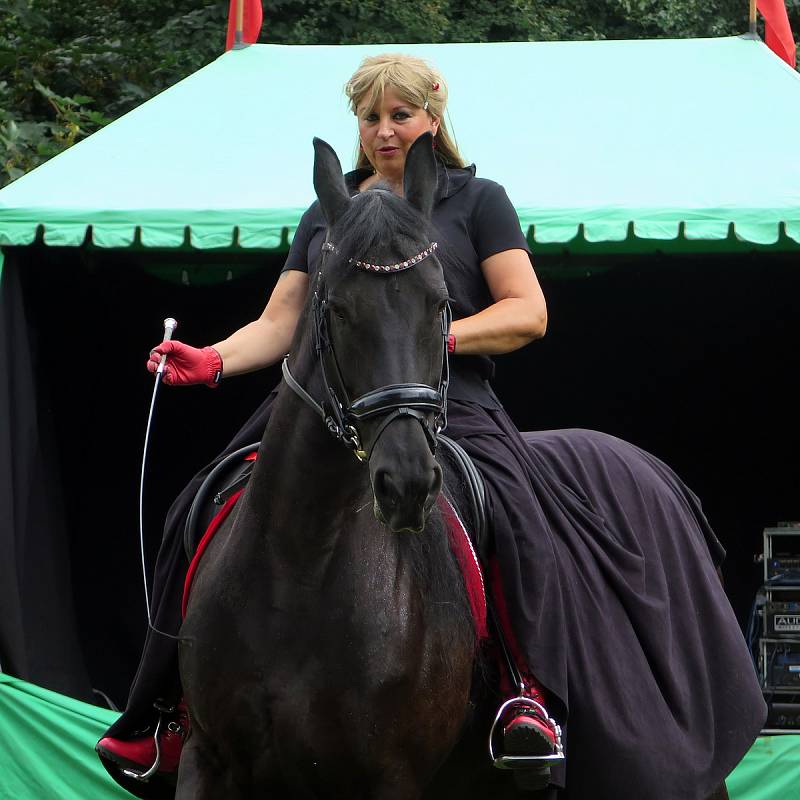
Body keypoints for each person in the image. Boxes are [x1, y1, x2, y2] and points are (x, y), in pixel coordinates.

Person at [97, 54, 765, 800]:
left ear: (431, 118)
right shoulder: (330, 212)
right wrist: (212, 361)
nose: (385, 130)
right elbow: (283, 319)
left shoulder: (477, 201)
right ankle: (163, 711)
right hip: (327, 406)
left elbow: (527, 311)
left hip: (447, 407)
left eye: (401, 115)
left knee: (514, 517)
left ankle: (525, 693)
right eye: (372, 117)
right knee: (199, 504)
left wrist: (425, 337)